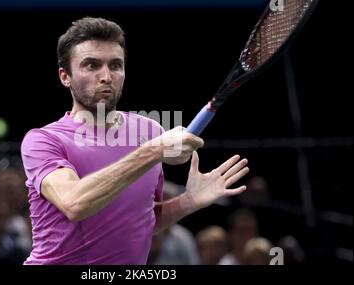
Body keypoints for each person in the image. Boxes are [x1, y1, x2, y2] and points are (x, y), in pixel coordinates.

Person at [20, 17, 249, 265]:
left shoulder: (149, 130)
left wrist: (187, 202)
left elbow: (141, 222)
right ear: (65, 76)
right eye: (91, 65)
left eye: (116, 65)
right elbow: (75, 203)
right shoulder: (43, 141)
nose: (106, 76)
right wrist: (152, 151)